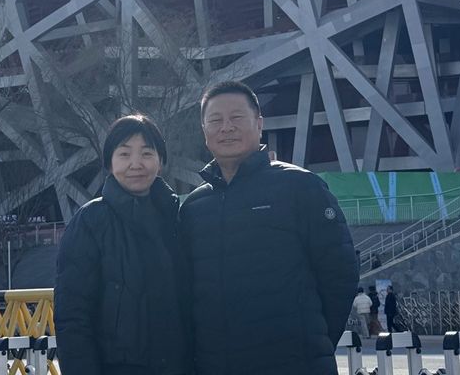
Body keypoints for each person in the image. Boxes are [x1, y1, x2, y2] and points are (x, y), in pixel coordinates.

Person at [179, 81, 358, 374]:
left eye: (237, 117)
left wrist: (310, 342)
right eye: (216, 120)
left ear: (259, 124)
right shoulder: (194, 208)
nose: (226, 127)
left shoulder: (301, 187)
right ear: (204, 131)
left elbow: (340, 275)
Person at [54, 114, 190, 375]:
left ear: (160, 161)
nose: (136, 164)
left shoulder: (176, 218)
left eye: (147, 153)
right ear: (109, 162)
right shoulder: (91, 222)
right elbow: (72, 317)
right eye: (124, 154)